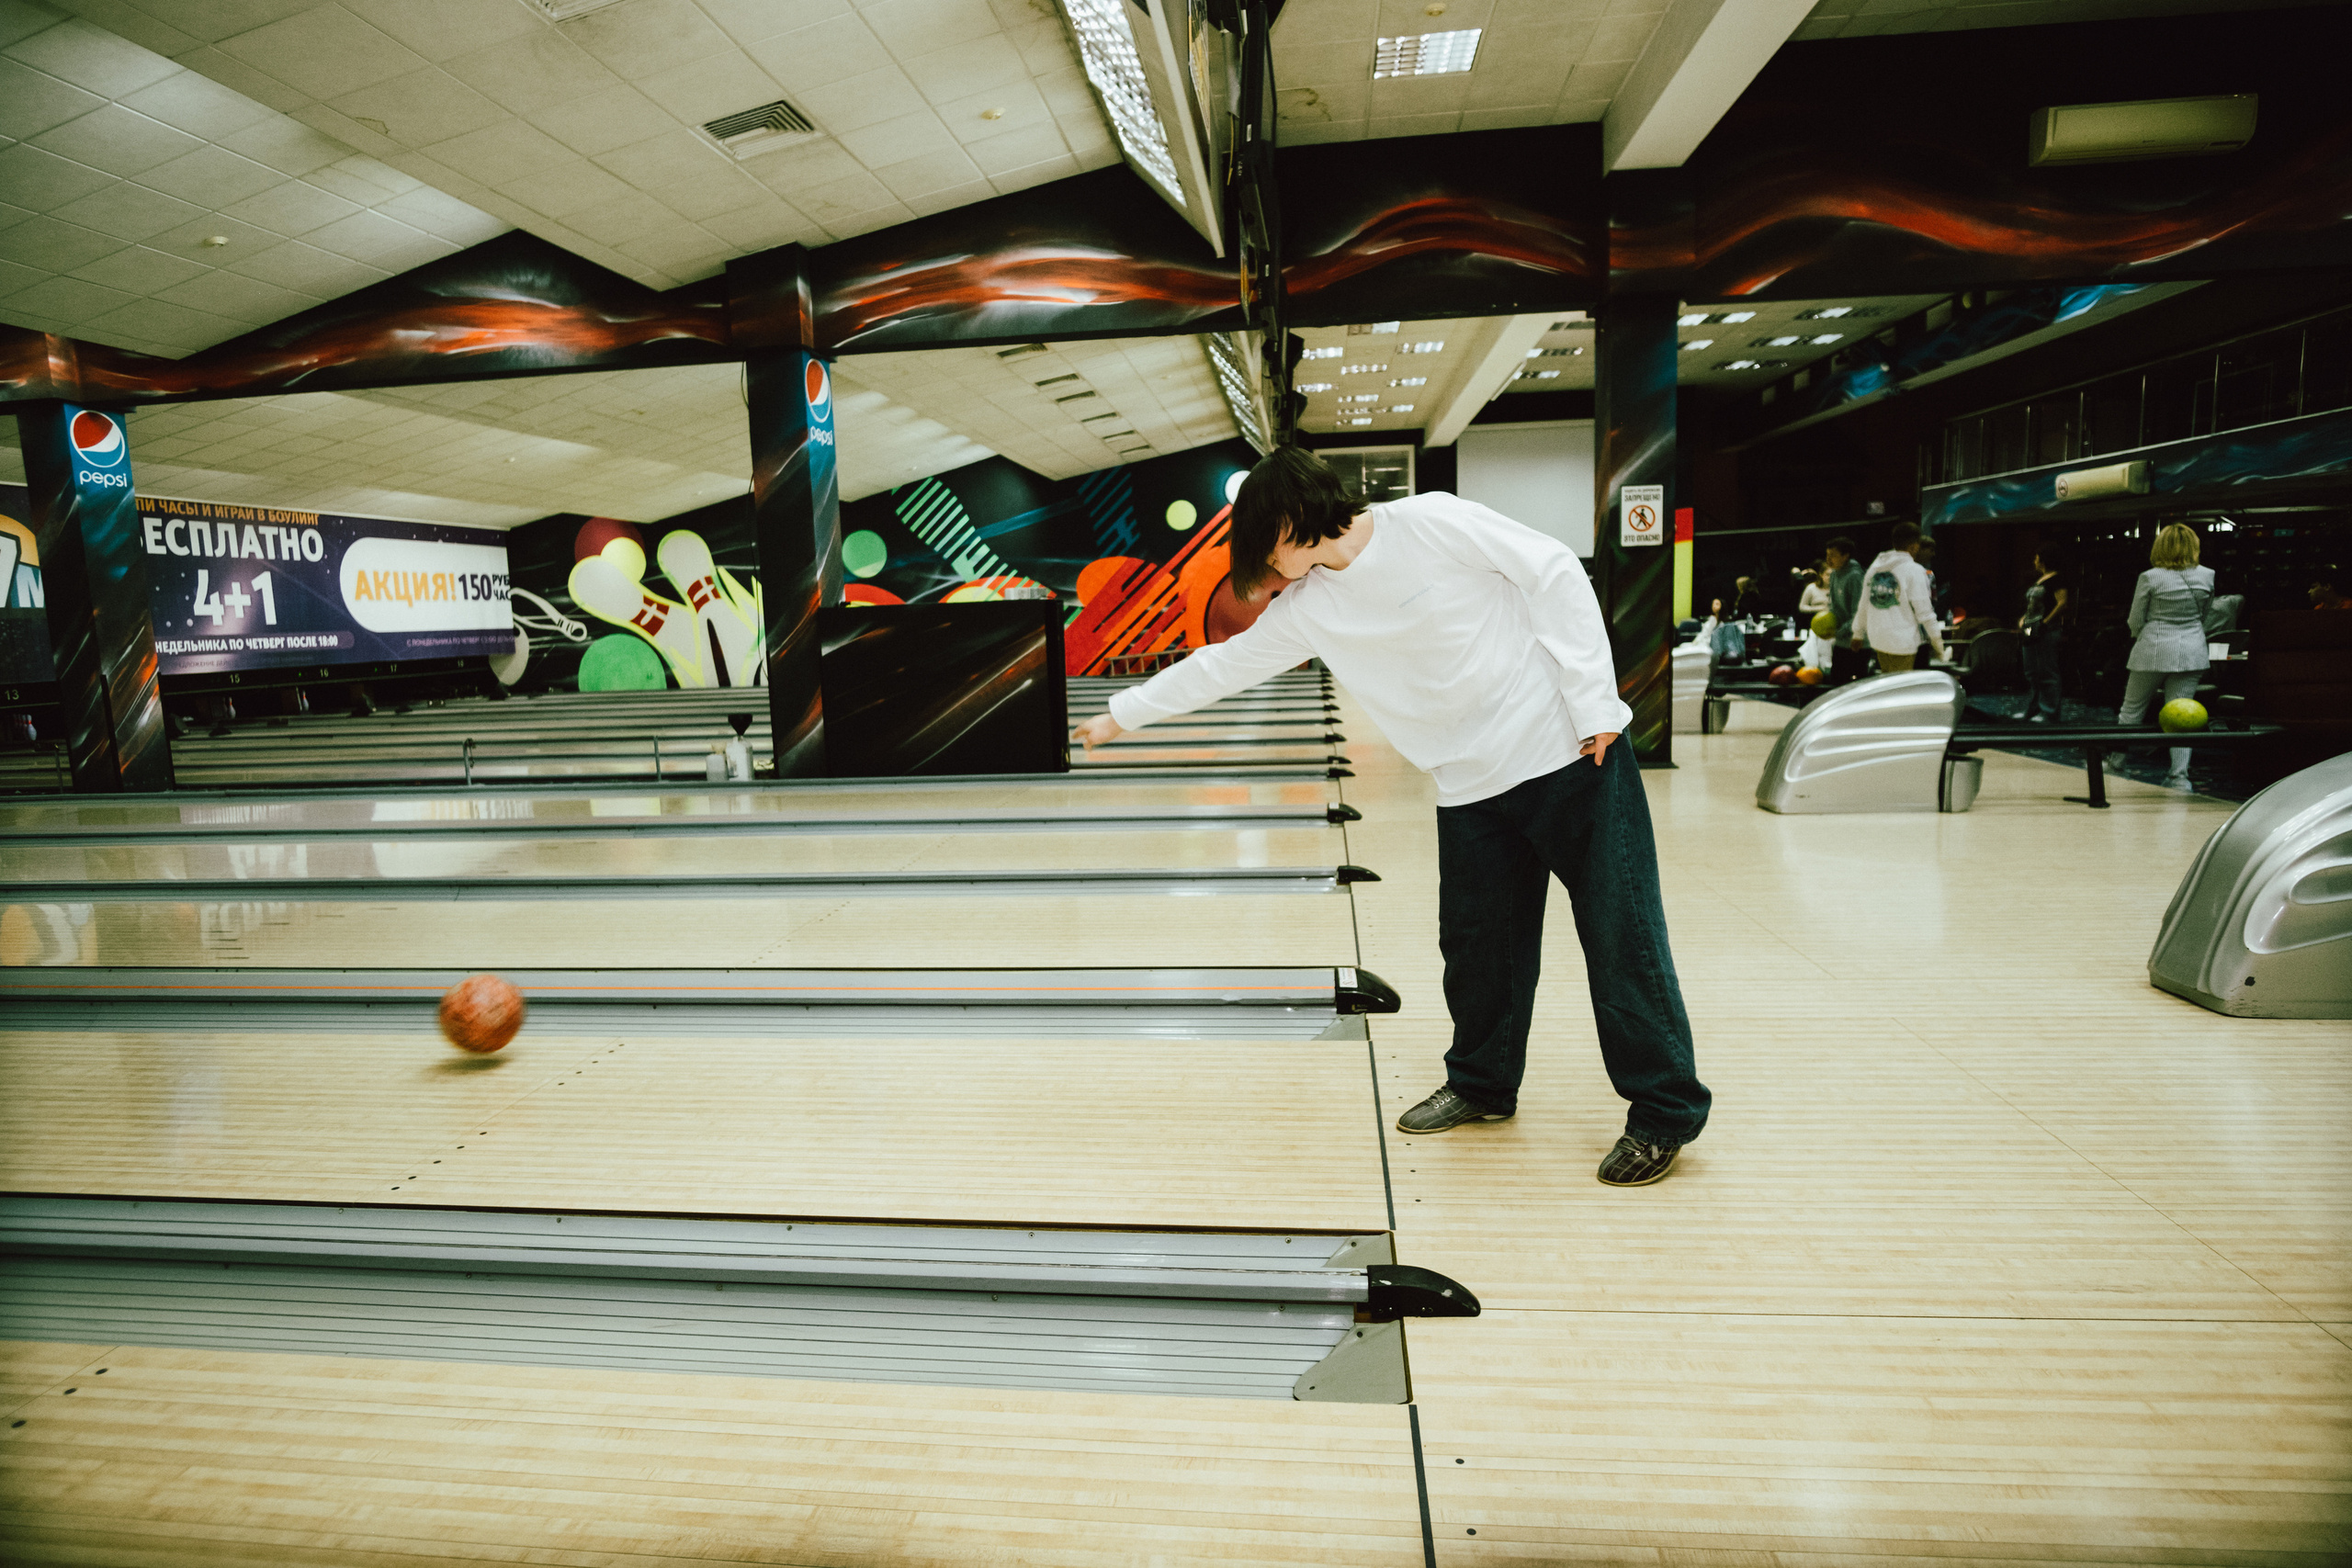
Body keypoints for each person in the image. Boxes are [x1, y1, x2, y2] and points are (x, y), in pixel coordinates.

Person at [1070, 447, 1710, 1187]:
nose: (1267, 571)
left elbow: (1554, 570)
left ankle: (1663, 1112)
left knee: (1619, 933)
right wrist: (1122, 714)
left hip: (1568, 752)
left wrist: (1597, 701)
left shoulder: (1431, 520)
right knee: (1478, 949)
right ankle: (1481, 1084)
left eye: (1263, 549)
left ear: (1291, 521)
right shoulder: (1308, 608)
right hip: (1469, 785)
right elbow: (1224, 665)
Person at [2120, 523, 2215, 788]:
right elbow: (2205, 615)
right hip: (2192, 650)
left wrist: (2146, 635)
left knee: (2132, 709)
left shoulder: (2150, 577)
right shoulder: (2208, 575)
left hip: (2153, 648)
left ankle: (2116, 761)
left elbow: (2135, 619)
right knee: (2183, 714)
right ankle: (2179, 775)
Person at [1851, 522, 1947, 673]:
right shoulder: (1914, 570)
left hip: (1878, 637)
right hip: (1902, 640)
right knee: (1900, 690)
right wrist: (1938, 645)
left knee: (1888, 684)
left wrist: (1858, 633)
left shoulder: (1874, 568)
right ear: (1915, 546)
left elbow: (1864, 604)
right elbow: (1925, 613)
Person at [2017, 548, 2069, 722]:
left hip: (2046, 629)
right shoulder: (2040, 579)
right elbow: (2032, 605)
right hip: (2031, 628)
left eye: (2037, 558)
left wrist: (2046, 622)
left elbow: (2062, 602)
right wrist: (2024, 619)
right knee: (2032, 670)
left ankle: (2049, 711)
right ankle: (2034, 709)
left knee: (2046, 670)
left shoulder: (2057, 579)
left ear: (2044, 561)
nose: (2035, 561)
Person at [1824, 538, 1866, 683]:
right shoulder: (1834, 574)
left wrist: (1840, 631)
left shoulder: (1855, 577)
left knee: (1857, 685)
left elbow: (1859, 612)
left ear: (1845, 556)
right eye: (1827, 555)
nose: (1828, 559)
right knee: (1836, 681)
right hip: (1842, 641)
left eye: (1832, 555)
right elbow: (1834, 606)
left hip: (1858, 641)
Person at [1795, 561, 1833, 672]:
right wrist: (1819, 608)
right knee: (1819, 650)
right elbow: (1802, 607)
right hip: (1815, 625)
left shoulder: (1836, 588)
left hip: (1833, 627)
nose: (1830, 578)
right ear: (1821, 575)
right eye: (1828, 575)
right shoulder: (1812, 588)